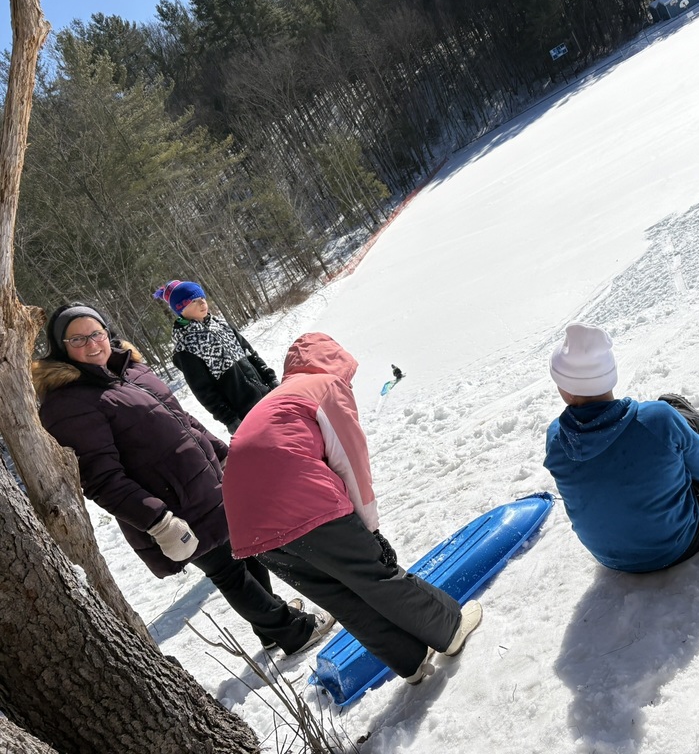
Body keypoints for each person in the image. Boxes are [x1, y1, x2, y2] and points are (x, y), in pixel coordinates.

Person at [33, 303, 335, 654]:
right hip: (174, 508)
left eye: (96, 333)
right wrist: (159, 522)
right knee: (228, 572)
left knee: (249, 553)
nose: (92, 344)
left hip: (210, 484)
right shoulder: (66, 405)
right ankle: (291, 632)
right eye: (78, 339)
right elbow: (101, 480)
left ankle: (268, 628)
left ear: (107, 331)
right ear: (61, 348)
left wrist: (226, 455)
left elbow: (184, 421)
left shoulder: (132, 370)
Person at [221, 332, 482, 684]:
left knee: (342, 597)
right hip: (300, 506)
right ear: (333, 360)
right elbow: (351, 461)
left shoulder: (276, 399)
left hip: (250, 530)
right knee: (376, 575)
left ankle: (411, 660)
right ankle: (450, 629)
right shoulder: (324, 386)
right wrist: (371, 532)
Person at [542, 323, 699, 573]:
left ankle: (690, 423)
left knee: (664, 433)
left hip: (610, 557)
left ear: (565, 391)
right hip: (679, 543)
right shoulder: (658, 419)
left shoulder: (557, 437)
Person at [153, 280, 277, 434]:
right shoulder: (185, 347)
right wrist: (229, 419)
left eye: (202, 298)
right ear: (181, 308)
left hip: (268, 394)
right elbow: (203, 390)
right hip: (245, 414)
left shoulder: (222, 325)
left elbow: (249, 353)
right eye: (194, 301)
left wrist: (270, 378)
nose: (202, 303)